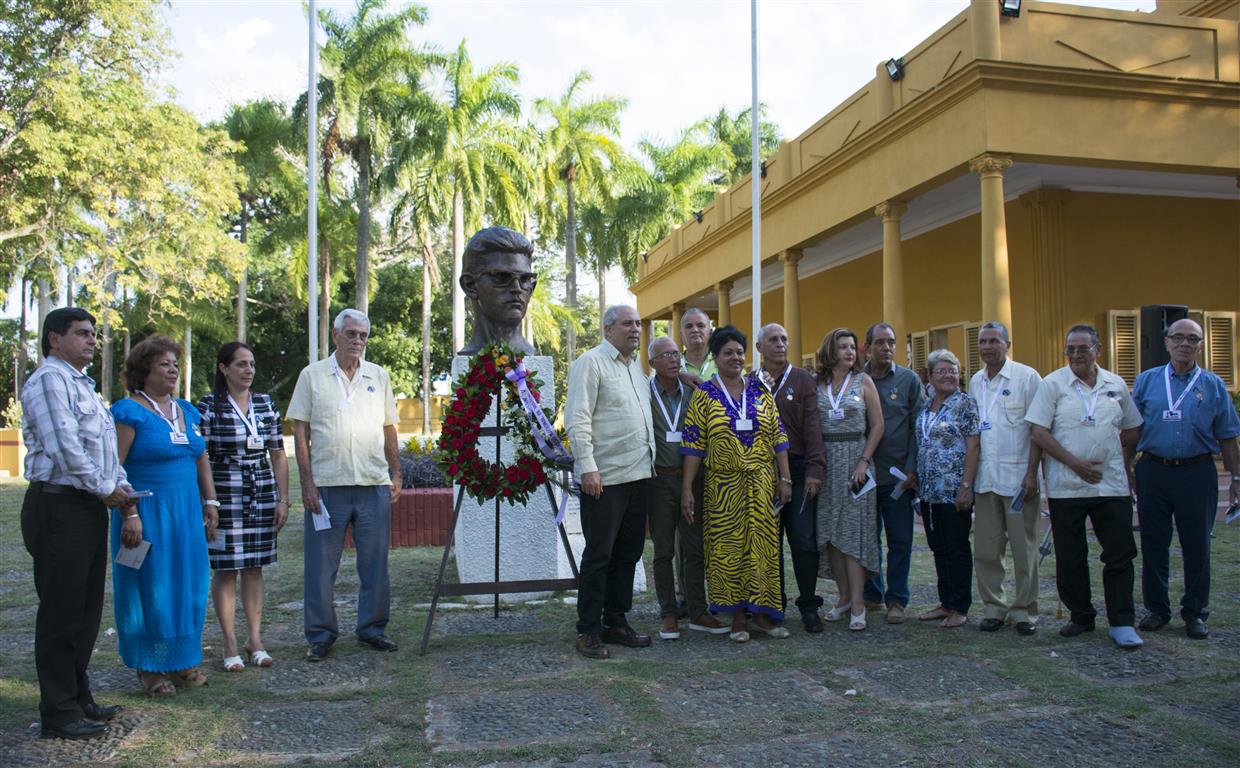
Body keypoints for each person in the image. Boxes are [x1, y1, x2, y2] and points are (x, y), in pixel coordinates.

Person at [20, 307, 132, 739]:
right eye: (82, 334)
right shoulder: (49, 380)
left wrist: (120, 487)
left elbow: (105, 451)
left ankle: (78, 695)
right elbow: (66, 449)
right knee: (61, 613)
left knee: (85, 612)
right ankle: (58, 711)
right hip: (60, 505)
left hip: (87, 504)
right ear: (54, 339)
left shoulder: (82, 385)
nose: (91, 341)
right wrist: (104, 488)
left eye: (93, 334)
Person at [288, 309, 402, 662]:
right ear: (335, 335)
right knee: (322, 567)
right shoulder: (312, 376)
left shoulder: (378, 376)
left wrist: (396, 474)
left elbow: (389, 427)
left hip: (372, 484)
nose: (357, 341)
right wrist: (307, 483)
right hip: (327, 487)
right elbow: (300, 430)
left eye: (362, 336)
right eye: (351, 334)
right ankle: (321, 634)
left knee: (375, 564)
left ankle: (372, 629)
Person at [111, 335, 219, 695]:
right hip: (146, 514)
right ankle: (149, 667)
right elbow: (114, 467)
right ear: (144, 370)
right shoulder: (129, 412)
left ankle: (183, 660)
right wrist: (130, 512)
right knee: (149, 588)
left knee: (188, 583)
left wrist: (211, 503)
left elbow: (199, 456)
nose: (173, 369)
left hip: (186, 513)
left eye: (175, 363)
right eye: (164, 363)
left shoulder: (187, 411)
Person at [1026, 324, 1145, 649]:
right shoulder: (1053, 384)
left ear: (1098, 350)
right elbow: (1039, 432)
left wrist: (1115, 452)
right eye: (1071, 349)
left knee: (1119, 555)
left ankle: (1122, 622)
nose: (1076, 354)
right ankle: (1081, 616)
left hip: (1112, 487)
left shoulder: (1115, 384)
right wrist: (1075, 462)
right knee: (1070, 556)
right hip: (1067, 487)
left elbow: (1133, 428)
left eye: (1083, 348)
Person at [680, 326, 792, 643]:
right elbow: (692, 445)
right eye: (728, 352)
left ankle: (762, 615)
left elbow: (778, 437)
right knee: (727, 550)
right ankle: (738, 617)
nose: (735, 358)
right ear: (715, 357)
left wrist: (785, 478)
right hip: (723, 487)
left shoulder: (760, 391)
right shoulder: (704, 395)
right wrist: (687, 489)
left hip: (761, 484)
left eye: (739, 352)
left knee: (763, 550)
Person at [1131, 318, 1240, 640]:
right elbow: (1131, 432)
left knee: (1197, 545)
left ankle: (1195, 612)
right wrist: (1127, 470)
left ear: (1200, 345)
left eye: (1193, 339)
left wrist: (1237, 478)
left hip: (1197, 472)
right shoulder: (1147, 382)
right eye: (1178, 338)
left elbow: (1229, 437)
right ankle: (1157, 609)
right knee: (1153, 543)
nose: (1185, 344)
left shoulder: (1213, 385)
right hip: (1153, 470)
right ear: (1166, 342)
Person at [566, 305, 657, 659]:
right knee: (599, 555)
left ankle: (615, 621)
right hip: (604, 479)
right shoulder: (590, 363)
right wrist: (587, 467)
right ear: (608, 330)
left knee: (629, 554)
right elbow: (578, 418)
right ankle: (587, 630)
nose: (636, 329)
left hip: (638, 475)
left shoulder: (636, 367)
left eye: (638, 323)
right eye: (627, 324)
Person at [198, 342, 290, 670]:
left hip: (261, 491)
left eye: (251, 364)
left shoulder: (265, 404)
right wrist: (210, 501)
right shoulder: (208, 406)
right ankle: (230, 642)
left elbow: (278, 453)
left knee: (254, 566)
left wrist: (282, 498)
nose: (248, 370)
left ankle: (255, 638)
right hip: (224, 492)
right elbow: (201, 457)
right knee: (226, 569)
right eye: (240, 364)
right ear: (224, 368)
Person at [645, 335, 726, 639]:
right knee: (664, 548)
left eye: (675, 354)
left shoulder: (694, 391)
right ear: (652, 363)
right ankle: (668, 613)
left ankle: (697, 610)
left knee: (694, 547)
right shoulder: (644, 393)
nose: (673, 359)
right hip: (660, 480)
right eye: (664, 355)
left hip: (693, 478)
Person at [968, 322, 1044, 636]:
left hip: (1018, 480)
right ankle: (993, 608)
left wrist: (1031, 474)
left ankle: (1025, 610)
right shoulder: (975, 381)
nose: (987, 346)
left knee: (1024, 548)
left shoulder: (1027, 378)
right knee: (986, 548)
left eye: (993, 341)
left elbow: (1038, 431)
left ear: (1007, 343)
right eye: (982, 341)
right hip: (985, 479)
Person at [754, 323, 826, 632]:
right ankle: (774, 604)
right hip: (762, 472)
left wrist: (815, 469)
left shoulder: (803, 379)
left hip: (797, 470)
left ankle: (809, 604)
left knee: (803, 540)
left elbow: (812, 426)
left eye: (784, 339)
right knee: (769, 542)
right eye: (773, 340)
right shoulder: (750, 382)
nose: (781, 344)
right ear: (759, 348)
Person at [814, 328, 885, 631]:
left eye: (853, 347)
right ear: (830, 351)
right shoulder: (818, 385)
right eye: (843, 347)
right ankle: (842, 598)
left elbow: (879, 425)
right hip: (827, 464)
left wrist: (864, 460)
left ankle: (858, 604)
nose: (849, 352)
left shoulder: (864, 381)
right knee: (831, 536)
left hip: (857, 463)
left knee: (854, 535)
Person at [861, 322, 923, 622]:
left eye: (891, 342)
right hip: (865, 475)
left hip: (898, 475)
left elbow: (917, 427)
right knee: (867, 538)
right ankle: (871, 593)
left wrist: (913, 465)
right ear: (867, 347)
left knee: (900, 541)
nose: (887, 348)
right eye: (880, 343)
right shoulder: (855, 380)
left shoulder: (909, 380)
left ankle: (896, 599)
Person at [914, 350, 980, 629]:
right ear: (930, 376)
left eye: (953, 370)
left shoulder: (965, 404)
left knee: (957, 548)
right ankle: (946, 602)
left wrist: (966, 486)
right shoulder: (926, 406)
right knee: (938, 547)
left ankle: (961, 606)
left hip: (954, 490)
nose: (948, 375)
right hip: (929, 492)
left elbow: (974, 445)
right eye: (941, 370)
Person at [457, 226, 537, 355]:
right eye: (502, 277)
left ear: (532, 289)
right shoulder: (467, 357)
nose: (517, 288)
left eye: (525, 279)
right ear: (470, 285)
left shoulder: (532, 356)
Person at [679, 308, 715, 382]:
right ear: (681, 334)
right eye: (689, 326)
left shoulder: (724, 362)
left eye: (700, 326)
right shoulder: (673, 365)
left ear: (710, 333)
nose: (695, 330)